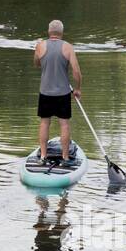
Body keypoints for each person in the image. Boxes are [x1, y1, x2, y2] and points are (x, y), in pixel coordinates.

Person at [33, 20, 82, 164]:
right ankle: (65, 158)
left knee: (44, 123)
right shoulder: (68, 47)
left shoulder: (40, 46)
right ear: (61, 33)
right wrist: (78, 88)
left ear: (49, 32)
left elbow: (36, 64)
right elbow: (76, 71)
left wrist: (36, 50)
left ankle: (43, 156)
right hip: (62, 93)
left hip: (45, 93)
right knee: (64, 124)